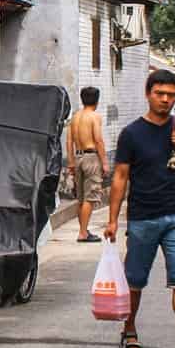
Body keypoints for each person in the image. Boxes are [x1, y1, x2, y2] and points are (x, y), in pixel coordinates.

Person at [105, 69, 175, 348]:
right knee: (135, 280)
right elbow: (120, 177)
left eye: (170, 95)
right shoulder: (131, 133)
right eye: (160, 94)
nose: (165, 100)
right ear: (148, 94)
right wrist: (114, 220)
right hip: (142, 218)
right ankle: (129, 331)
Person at [67, 85, 108, 243]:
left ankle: (84, 230)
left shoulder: (76, 117)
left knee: (81, 197)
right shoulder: (94, 116)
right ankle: (83, 233)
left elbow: (69, 141)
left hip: (78, 157)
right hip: (91, 157)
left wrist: (71, 161)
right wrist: (104, 162)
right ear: (97, 100)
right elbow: (98, 139)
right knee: (91, 197)